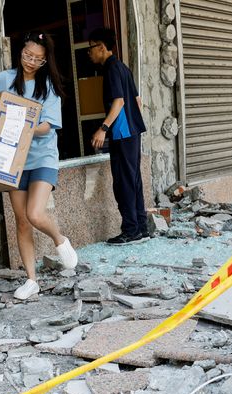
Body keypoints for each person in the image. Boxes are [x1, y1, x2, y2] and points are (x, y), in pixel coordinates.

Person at [0, 32, 78, 300]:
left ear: (46, 61)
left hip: (42, 157)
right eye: (27, 55)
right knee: (22, 221)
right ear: (20, 52)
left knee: (35, 214)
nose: (30, 61)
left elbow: (47, 126)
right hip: (13, 161)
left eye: (37, 58)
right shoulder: (6, 78)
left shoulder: (49, 89)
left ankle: (60, 240)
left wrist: (20, 127)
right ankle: (31, 279)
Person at [88, 27, 148, 245]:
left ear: (101, 47)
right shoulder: (123, 67)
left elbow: (119, 101)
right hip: (132, 132)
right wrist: (134, 124)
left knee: (123, 181)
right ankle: (141, 228)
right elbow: (138, 101)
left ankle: (131, 231)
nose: (89, 53)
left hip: (122, 133)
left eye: (91, 48)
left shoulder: (112, 69)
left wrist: (103, 129)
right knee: (134, 179)